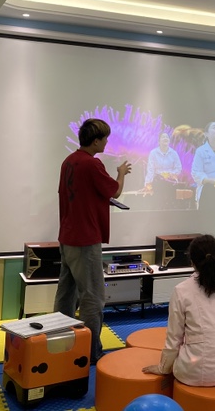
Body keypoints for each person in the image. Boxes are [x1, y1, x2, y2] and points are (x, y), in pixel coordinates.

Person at [54, 118, 132, 364]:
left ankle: (60, 342)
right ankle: (91, 350)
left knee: (66, 294)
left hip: (67, 236)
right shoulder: (92, 164)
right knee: (93, 297)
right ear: (96, 141)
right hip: (85, 239)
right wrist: (121, 173)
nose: (107, 143)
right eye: (105, 138)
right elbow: (114, 191)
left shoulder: (69, 161)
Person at [142, 234, 215, 386]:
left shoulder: (182, 290)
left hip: (194, 373)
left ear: (191, 261)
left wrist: (163, 368)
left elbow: (174, 338)